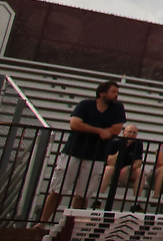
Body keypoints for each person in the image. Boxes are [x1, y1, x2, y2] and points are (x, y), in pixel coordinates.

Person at [39, 80, 126, 223]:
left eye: (117, 92)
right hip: (73, 151)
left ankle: (69, 226)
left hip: (96, 155)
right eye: (113, 92)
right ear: (102, 93)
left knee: (83, 194)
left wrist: (93, 129)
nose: (116, 95)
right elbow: (74, 124)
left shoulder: (117, 108)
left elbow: (116, 129)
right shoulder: (86, 105)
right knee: (57, 190)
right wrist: (100, 131)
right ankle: (42, 222)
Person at [98, 124, 146, 208]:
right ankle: (98, 199)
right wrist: (120, 151)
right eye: (130, 132)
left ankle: (136, 202)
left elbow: (138, 162)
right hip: (113, 170)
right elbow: (110, 162)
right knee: (109, 169)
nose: (132, 135)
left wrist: (128, 168)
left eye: (134, 133)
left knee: (140, 172)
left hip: (127, 172)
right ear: (124, 133)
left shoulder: (138, 144)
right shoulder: (115, 142)